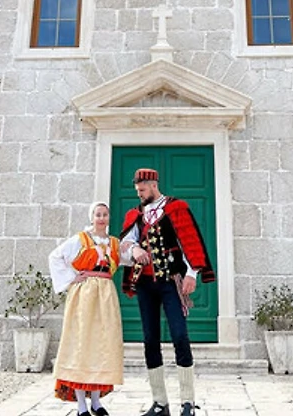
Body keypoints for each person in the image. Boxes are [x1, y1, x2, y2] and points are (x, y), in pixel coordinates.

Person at [120, 168, 215, 416]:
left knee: (180, 336)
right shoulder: (135, 214)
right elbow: (124, 245)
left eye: (142, 190)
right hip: (145, 284)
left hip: (171, 283)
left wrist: (192, 274)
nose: (139, 194)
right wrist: (133, 250)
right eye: (137, 190)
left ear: (153, 185)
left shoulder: (176, 208)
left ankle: (187, 402)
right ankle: (160, 403)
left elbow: (189, 241)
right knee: (150, 339)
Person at [49, 201, 123, 416]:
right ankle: (81, 404)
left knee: (102, 345)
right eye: (98, 214)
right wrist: (71, 278)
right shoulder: (80, 239)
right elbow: (55, 256)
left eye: (105, 214)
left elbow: (128, 258)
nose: (101, 218)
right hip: (85, 294)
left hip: (106, 295)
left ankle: (96, 402)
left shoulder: (114, 243)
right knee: (82, 345)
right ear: (92, 217)